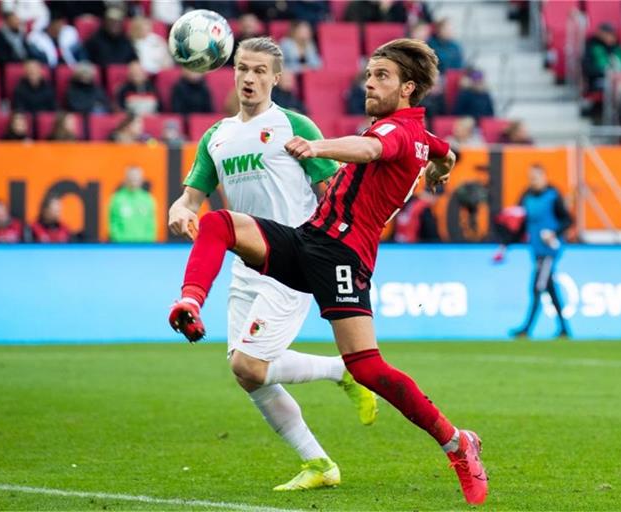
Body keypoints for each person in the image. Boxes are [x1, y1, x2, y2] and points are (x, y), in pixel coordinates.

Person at [168, 38, 488, 505]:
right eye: (369, 74)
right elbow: (443, 149)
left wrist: (316, 145)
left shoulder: (394, 133)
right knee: (219, 223)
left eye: (382, 77)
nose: (369, 83)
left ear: (408, 89)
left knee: (369, 368)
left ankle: (458, 443)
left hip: (344, 256)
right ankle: (189, 302)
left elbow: (370, 150)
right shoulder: (418, 133)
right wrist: (444, 165)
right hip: (309, 238)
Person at [166, 36, 377, 492]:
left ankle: (341, 373)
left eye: (261, 70)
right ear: (232, 70)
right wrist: (181, 210)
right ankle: (319, 462)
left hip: (294, 260)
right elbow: (190, 198)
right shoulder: (216, 137)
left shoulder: (294, 125)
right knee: (246, 373)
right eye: (243, 68)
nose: (249, 77)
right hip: (246, 265)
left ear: (276, 78)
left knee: (252, 364)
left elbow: (337, 194)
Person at [496, 164, 572, 339]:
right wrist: (507, 243)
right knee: (550, 288)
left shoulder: (553, 195)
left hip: (549, 250)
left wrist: (554, 233)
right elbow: (521, 224)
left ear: (544, 177)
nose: (533, 181)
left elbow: (567, 220)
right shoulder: (527, 196)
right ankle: (564, 329)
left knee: (538, 286)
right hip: (536, 249)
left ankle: (527, 328)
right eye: (530, 178)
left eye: (535, 178)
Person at [108, 166, 157, 242]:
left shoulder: (147, 199)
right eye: (131, 177)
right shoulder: (117, 199)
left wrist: (148, 242)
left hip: (144, 246)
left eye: (136, 178)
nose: (133, 180)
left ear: (141, 180)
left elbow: (151, 224)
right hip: (122, 246)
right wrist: (119, 240)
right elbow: (113, 224)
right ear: (125, 179)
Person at [582, 23, 621, 97]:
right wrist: (606, 72)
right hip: (598, 80)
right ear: (600, 33)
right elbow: (587, 68)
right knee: (614, 87)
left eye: (611, 34)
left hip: (620, 79)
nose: (610, 36)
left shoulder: (618, 47)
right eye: (607, 33)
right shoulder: (591, 46)